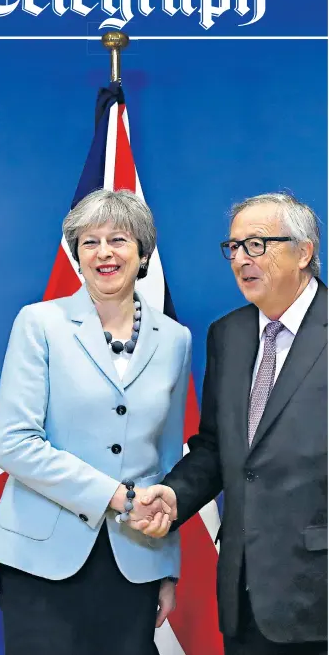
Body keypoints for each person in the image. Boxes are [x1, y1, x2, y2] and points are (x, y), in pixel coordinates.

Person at [0, 189, 191, 655]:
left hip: (135, 558)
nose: (104, 253)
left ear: (143, 252)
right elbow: (15, 444)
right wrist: (116, 497)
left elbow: (168, 460)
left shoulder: (175, 340)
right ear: (76, 255)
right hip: (41, 557)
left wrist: (166, 567)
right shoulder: (39, 324)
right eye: (89, 242)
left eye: (118, 239)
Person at [136, 193, 327, 654]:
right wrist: (176, 495)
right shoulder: (230, 334)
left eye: (257, 245)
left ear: (303, 252)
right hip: (244, 593)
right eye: (234, 247)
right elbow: (217, 448)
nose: (241, 259)